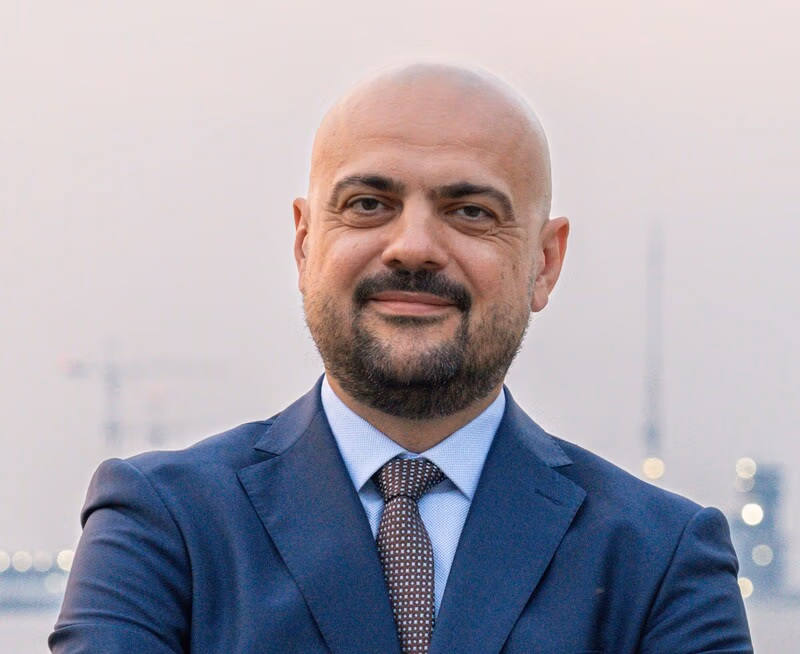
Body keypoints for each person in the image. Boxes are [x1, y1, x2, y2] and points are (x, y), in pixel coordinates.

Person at [50, 64, 753, 653]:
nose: (413, 246)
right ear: (304, 243)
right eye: (368, 204)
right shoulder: (162, 526)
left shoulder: (662, 560)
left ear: (545, 261)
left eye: (470, 211)